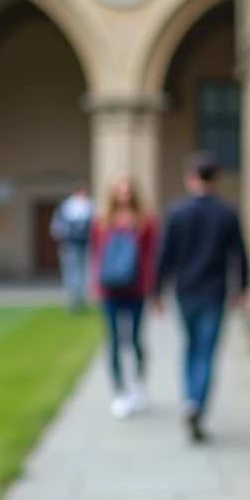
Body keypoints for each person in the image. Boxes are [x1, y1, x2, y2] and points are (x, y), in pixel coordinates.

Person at [154, 151, 250, 443]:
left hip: (185, 291)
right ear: (217, 178)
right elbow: (241, 255)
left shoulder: (176, 211)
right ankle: (197, 403)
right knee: (206, 352)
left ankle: (190, 401)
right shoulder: (227, 212)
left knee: (191, 347)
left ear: (190, 178)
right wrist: (242, 288)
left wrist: (156, 291)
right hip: (214, 292)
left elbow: (164, 255)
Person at [91, 174, 159, 420]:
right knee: (114, 341)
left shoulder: (146, 221)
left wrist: (154, 289)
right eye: (119, 189)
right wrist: (96, 288)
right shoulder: (102, 222)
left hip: (136, 290)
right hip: (110, 290)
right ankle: (120, 392)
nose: (123, 193)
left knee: (136, 340)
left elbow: (153, 256)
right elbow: (96, 256)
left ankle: (139, 385)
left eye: (127, 189)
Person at [49, 181, 93, 313]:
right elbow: (56, 228)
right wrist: (69, 232)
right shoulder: (66, 207)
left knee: (85, 273)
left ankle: (82, 300)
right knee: (71, 273)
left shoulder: (91, 206)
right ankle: (73, 300)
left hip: (86, 245)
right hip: (70, 244)